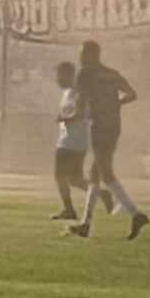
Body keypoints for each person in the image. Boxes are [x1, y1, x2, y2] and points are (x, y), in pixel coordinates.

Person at [67, 40, 150, 241]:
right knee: (95, 174)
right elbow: (132, 94)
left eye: (82, 53)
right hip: (114, 126)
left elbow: (81, 103)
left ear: (89, 54)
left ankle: (135, 213)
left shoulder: (86, 74)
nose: (80, 57)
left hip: (99, 126)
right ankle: (85, 224)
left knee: (105, 171)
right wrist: (114, 104)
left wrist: (72, 118)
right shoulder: (111, 73)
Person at [51, 61, 90, 221]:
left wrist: (64, 118)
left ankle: (69, 209)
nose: (57, 79)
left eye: (59, 75)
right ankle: (100, 193)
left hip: (73, 141)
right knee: (75, 180)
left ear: (68, 75)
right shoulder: (67, 93)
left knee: (60, 175)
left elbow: (82, 114)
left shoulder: (78, 92)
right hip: (67, 140)